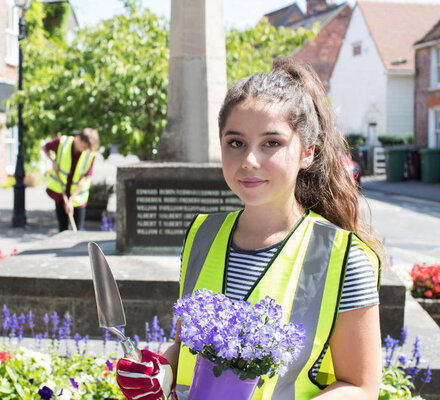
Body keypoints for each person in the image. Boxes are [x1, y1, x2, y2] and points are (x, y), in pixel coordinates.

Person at [116, 57, 383, 399]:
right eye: (236, 142)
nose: (249, 161)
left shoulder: (345, 258)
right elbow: (189, 350)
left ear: (307, 152)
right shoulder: (202, 233)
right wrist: (159, 372)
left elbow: (361, 387)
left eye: (272, 143)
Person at [43, 128, 100, 231]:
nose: (85, 150)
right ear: (80, 139)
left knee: (77, 230)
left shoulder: (90, 153)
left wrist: (71, 200)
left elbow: (84, 178)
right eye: (84, 147)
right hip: (61, 193)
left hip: (78, 197)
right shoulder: (62, 142)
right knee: (63, 229)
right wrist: (53, 162)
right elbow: (45, 148)